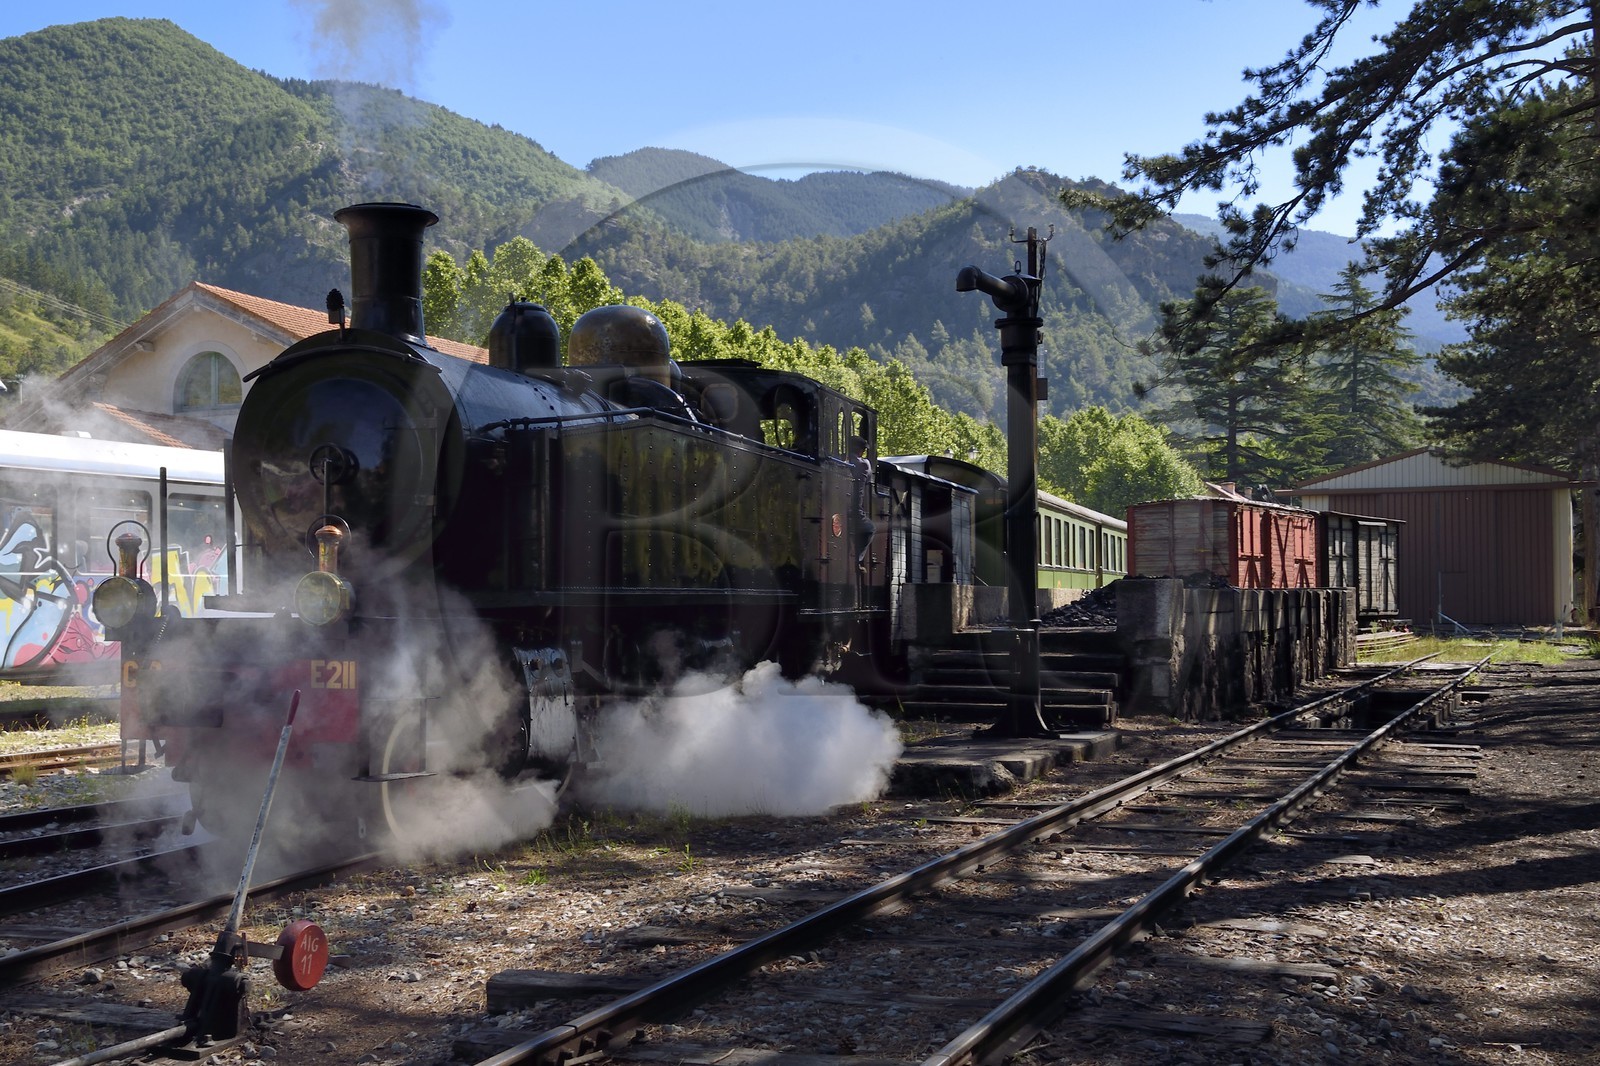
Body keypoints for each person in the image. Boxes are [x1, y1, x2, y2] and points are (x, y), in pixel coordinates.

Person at [849, 435, 876, 572]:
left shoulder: (844, 459)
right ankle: (857, 560)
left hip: (844, 504)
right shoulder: (863, 464)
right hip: (855, 507)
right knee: (869, 528)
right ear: (860, 450)